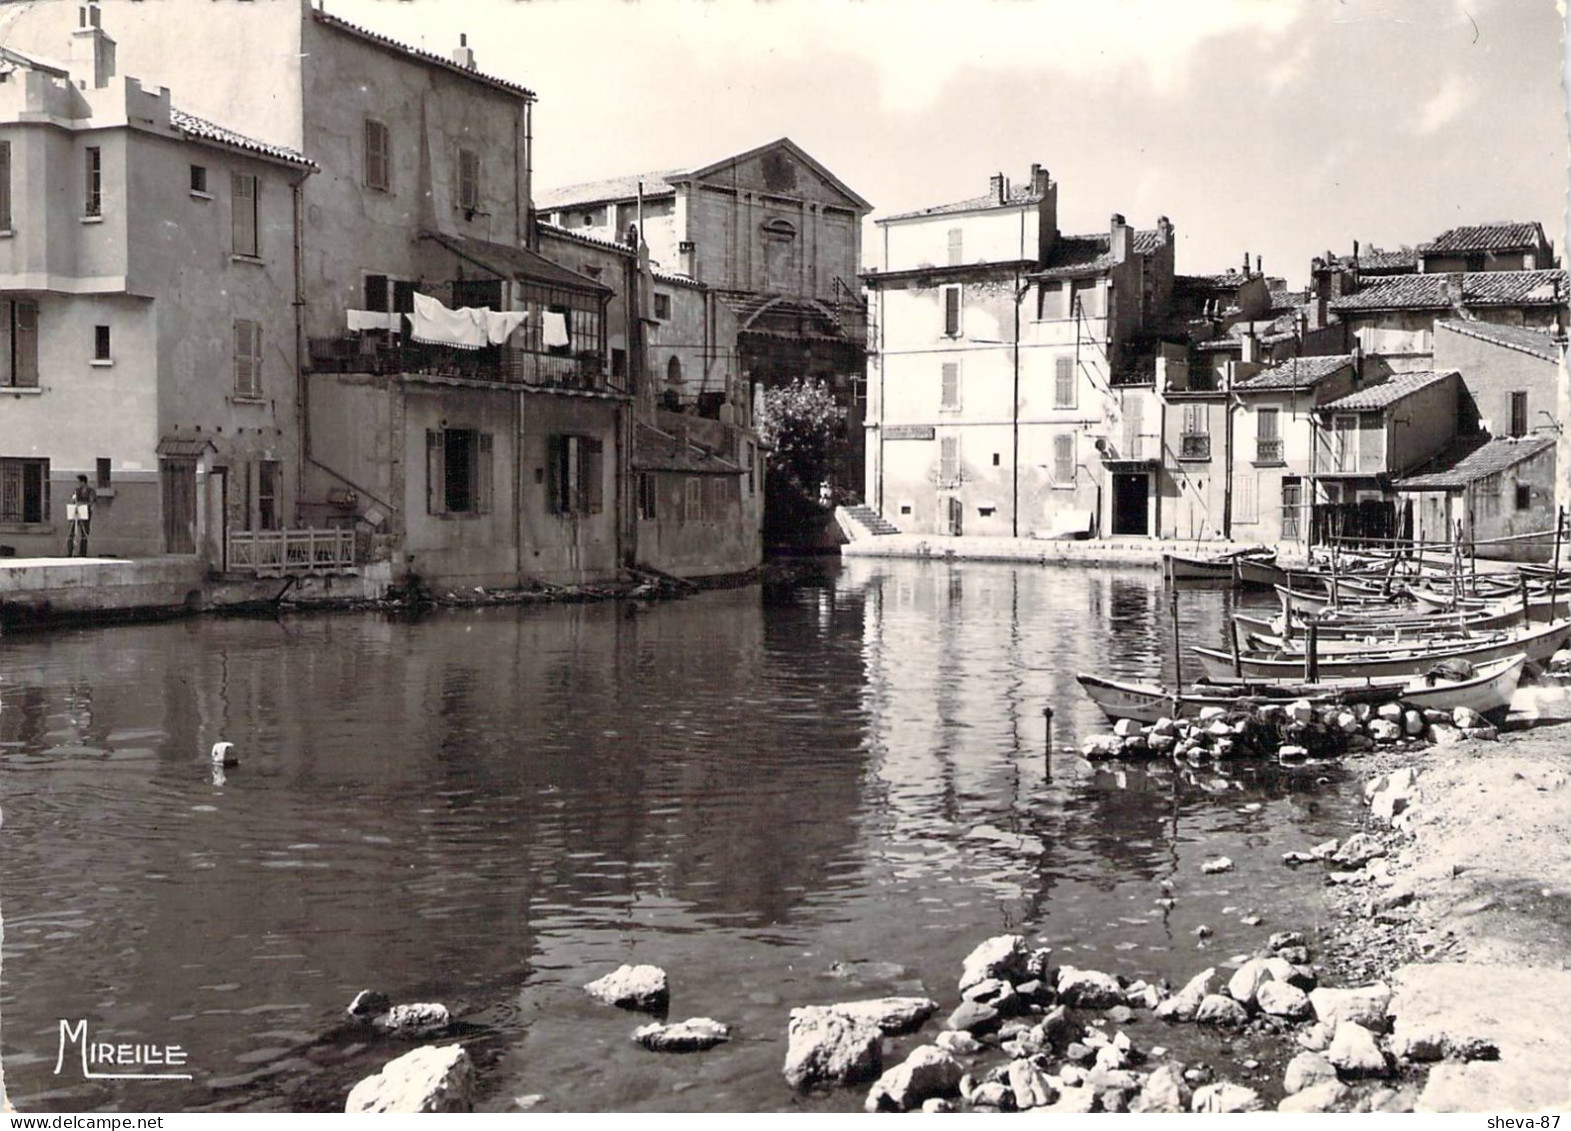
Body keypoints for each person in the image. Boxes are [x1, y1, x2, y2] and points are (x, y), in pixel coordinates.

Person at [66, 474, 96, 557]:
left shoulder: (90, 491)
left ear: (83, 482)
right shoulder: (77, 490)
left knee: (84, 533)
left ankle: (83, 553)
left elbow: (91, 502)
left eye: (79, 482)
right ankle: (70, 552)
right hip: (76, 513)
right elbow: (74, 500)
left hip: (86, 513)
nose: (78, 484)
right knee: (72, 532)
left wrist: (82, 504)